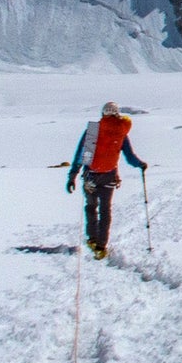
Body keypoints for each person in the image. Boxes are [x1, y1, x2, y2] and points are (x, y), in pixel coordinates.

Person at [66, 101, 147, 259]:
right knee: (105, 210)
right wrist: (140, 164)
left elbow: (83, 156)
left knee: (91, 207)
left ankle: (92, 239)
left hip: (92, 176)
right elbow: (129, 157)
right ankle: (102, 246)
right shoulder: (121, 132)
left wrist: (73, 175)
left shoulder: (94, 129)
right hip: (110, 176)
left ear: (103, 113)